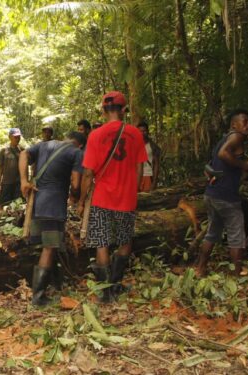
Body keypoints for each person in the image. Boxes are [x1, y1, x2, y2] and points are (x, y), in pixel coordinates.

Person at [77, 91, 147, 303]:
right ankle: (115, 284)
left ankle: (106, 292)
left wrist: (81, 201)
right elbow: (140, 167)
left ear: (103, 110)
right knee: (125, 242)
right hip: (126, 199)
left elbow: (88, 173)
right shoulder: (135, 134)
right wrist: (132, 190)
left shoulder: (95, 135)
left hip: (101, 199)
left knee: (102, 243)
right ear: (124, 110)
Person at [20, 133, 83, 306]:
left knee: (49, 245)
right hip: (53, 206)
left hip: (37, 203)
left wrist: (24, 181)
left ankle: (54, 284)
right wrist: (75, 197)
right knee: (49, 247)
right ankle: (38, 297)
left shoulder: (44, 145)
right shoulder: (76, 153)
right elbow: (76, 183)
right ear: (80, 145)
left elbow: (23, 154)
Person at [194, 109, 248, 277]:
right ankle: (236, 274)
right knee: (236, 236)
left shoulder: (223, 139)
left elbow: (211, 164)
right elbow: (223, 155)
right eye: (245, 122)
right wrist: (245, 166)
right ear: (234, 125)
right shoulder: (236, 136)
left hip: (212, 194)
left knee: (212, 233)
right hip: (226, 197)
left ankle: (200, 269)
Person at [0, 128, 24, 210]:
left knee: (17, 204)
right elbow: (0, 167)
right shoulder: (4, 150)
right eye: (15, 137)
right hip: (7, 182)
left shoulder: (22, 150)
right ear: (10, 137)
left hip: (18, 182)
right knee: (2, 204)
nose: (17, 139)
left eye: (18, 137)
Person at [137, 120, 162, 192]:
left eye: (144, 131)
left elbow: (156, 164)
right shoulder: (134, 145)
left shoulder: (153, 146)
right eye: (140, 131)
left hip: (148, 176)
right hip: (136, 177)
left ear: (148, 131)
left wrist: (154, 182)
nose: (142, 133)